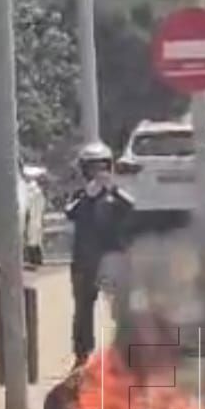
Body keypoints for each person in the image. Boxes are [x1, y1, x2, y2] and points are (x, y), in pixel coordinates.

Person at [65, 142, 135, 362]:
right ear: (84, 170)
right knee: (83, 311)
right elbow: (70, 212)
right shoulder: (79, 196)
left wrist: (111, 190)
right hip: (84, 262)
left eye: (101, 167)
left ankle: (125, 353)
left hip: (113, 260)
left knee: (123, 309)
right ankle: (82, 355)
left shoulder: (117, 194)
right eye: (92, 168)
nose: (97, 173)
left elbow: (130, 207)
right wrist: (89, 195)